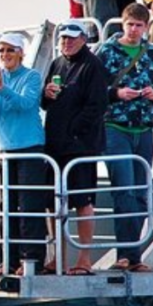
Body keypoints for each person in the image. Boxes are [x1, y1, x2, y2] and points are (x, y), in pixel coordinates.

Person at [97, 3, 153, 273]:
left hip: (144, 128)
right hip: (115, 126)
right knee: (124, 191)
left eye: (139, 25)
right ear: (123, 23)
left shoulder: (152, 53)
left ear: (146, 27)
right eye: (130, 24)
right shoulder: (107, 51)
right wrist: (116, 94)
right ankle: (125, 255)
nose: (133, 30)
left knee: (140, 194)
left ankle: (133, 255)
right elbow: (93, 87)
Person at [0, 33, 50, 276]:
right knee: (2, 207)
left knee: (29, 206)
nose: (5, 56)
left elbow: (26, 104)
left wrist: (1, 89)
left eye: (10, 50)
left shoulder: (32, 76)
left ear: (20, 52)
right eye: (1, 51)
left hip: (29, 148)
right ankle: (6, 260)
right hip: (2, 150)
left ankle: (31, 261)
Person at [42, 21, 109, 276]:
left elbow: (98, 106)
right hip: (55, 145)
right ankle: (56, 257)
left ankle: (84, 258)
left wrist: (74, 130)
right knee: (52, 202)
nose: (66, 42)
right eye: (63, 39)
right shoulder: (57, 63)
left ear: (83, 39)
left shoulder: (93, 66)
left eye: (71, 38)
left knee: (83, 201)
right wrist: (45, 95)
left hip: (81, 148)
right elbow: (46, 104)